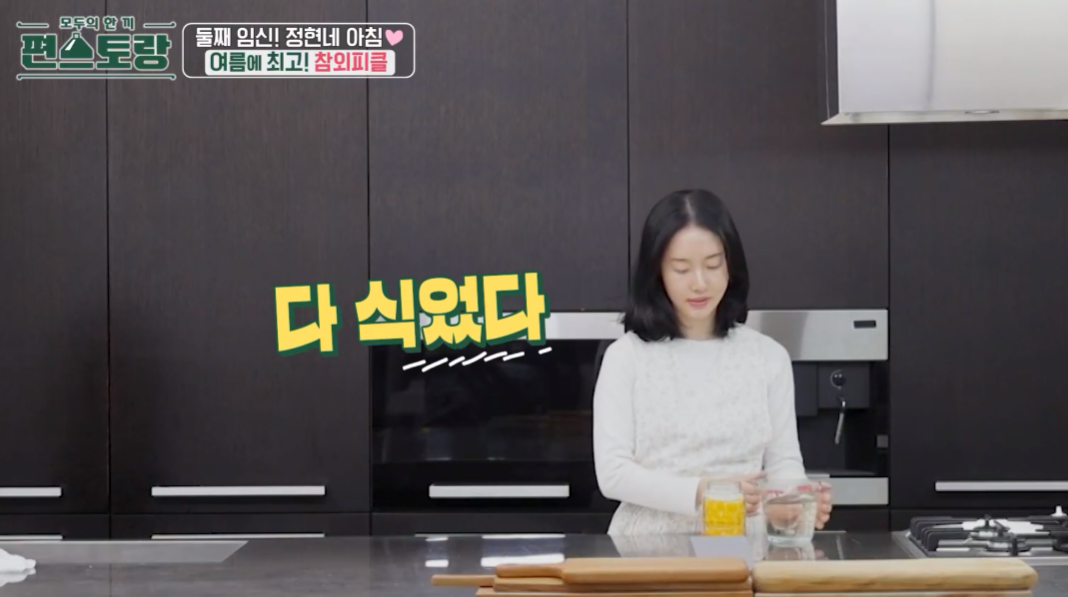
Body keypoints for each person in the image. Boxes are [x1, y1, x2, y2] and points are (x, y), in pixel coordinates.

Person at [593, 189, 834, 535]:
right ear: (657, 272)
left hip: (739, 549)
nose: (700, 283)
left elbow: (783, 465)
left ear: (730, 265)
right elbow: (613, 474)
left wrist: (793, 504)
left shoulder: (768, 357)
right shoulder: (626, 357)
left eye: (712, 265)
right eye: (681, 269)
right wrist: (703, 491)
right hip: (646, 548)